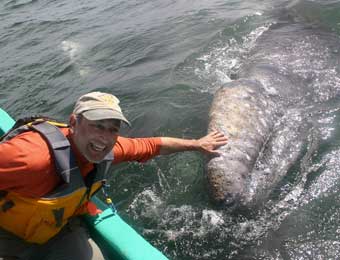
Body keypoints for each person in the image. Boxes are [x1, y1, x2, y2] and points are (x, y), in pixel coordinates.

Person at [0, 91, 228, 260]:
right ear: (73, 122)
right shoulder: (29, 157)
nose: (104, 138)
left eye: (113, 129)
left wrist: (198, 144)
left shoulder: (109, 149)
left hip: (57, 229)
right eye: (97, 126)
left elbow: (153, 145)